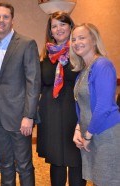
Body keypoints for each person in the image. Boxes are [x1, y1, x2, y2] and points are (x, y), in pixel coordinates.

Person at [0, 2, 41, 186]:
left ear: (12, 20)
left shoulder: (26, 44)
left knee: (24, 165)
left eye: (5, 17)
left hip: (20, 118)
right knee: (5, 164)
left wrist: (28, 115)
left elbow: (33, 83)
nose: (1, 20)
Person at [37, 12, 86, 186]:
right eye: (54, 26)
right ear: (50, 31)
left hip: (75, 115)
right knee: (56, 162)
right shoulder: (45, 56)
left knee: (76, 162)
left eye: (62, 24)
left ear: (70, 27)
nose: (58, 29)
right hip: (51, 115)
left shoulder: (80, 52)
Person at [71, 23, 120, 186]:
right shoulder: (84, 70)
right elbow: (83, 105)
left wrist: (87, 135)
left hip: (105, 135)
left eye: (82, 37)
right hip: (91, 134)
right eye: (73, 39)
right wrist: (78, 129)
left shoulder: (102, 65)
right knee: (99, 180)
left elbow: (103, 107)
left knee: (109, 180)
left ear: (93, 40)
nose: (76, 42)